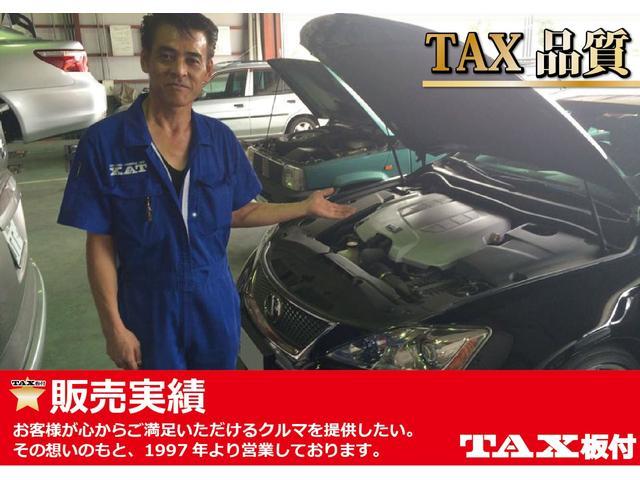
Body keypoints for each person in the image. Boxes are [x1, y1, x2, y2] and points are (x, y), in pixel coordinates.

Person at [58, 13, 355, 370]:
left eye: (192, 59)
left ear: (207, 70)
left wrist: (305, 207)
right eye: (166, 56)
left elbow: (240, 211)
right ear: (146, 59)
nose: (179, 70)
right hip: (148, 308)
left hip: (213, 303)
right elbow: (100, 243)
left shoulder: (221, 141)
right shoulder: (105, 143)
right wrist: (113, 328)